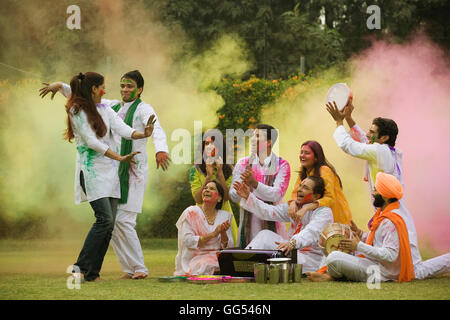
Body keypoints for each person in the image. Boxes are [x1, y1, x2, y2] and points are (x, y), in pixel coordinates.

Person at [40, 70, 170, 280]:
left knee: (120, 221)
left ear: (140, 89)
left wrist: (159, 148)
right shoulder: (109, 106)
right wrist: (61, 86)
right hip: (106, 168)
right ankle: (119, 269)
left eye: (130, 86)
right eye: (123, 86)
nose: (124, 90)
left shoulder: (143, 108)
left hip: (130, 170)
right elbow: (83, 103)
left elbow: (151, 129)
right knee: (111, 222)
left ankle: (131, 268)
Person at [326, 99, 434, 278]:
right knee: (414, 268)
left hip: (392, 212)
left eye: (372, 131)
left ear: (384, 138)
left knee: (416, 270)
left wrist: (339, 122)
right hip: (391, 209)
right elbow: (364, 140)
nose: (368, 133)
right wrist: (349, 119)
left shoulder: (380, 151)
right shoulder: (385, 149)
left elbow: (351, 146)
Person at [307, 173, 417, 283]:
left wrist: (359, 246)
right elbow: (378, 241)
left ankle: (330, 276)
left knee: (333, 257)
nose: (372, 194)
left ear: (385, 196)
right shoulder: (384, 214)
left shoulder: (390, 221)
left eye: (375, 190)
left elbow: (390, 255)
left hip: (382, 272)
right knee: (332, 246)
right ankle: (329, 275)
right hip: (373, 263)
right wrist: (360, 233)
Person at [233, 176, 333, 273]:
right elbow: (269, 211)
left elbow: (311, 232)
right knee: (265, 235)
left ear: (316, 196)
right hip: (290, 250)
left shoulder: (324, 212)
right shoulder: (294, 208)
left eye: (305, 188)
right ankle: (241, 265)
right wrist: (249, 197)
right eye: (300, 186)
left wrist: (292, 243)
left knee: (279, 251)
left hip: (308, 260)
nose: (299, 190)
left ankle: (243, 267)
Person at [229, 124, 291, 248]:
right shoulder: (243, 163)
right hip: (248, 224)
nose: (252, 139)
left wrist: (254, 184)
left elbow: (276, 195)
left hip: (273, 223)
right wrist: (243, 186)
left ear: (268, 142)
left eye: (257, 136)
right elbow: (233, 197)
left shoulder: (281, 165)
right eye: (252, 135)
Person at [174, 180, 234, 276]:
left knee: (226, 263)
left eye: (212, 189)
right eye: (205, 188)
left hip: (216, 257)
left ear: (219, 198)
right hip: (195, 257)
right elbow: (187, 241)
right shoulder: (191, 212)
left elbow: (228, 247)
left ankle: (217, 271)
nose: (207, 190)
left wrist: (223, 233)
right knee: (205, 265)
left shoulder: (225, 216)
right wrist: (213, 234)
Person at [189, 130, 238, 244]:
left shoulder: (230, 169)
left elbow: (226, 197)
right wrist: (208, 176)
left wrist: (220, 174)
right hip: (202, 217)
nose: (210, 147)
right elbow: (197, 199)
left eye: (214, 143)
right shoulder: (195, 169)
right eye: (207, 144)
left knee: (225, 251)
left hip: (224, 215)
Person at [288, 140, 352, 225]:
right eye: (301, 152)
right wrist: (293, 203)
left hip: (334, 216)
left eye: (307, 153)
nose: (302, 155)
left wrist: (306, 207)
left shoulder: (325, 170)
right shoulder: (304, 171)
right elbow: (296, 192)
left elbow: (330, 198)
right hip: (315, 215)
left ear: (316, 157)